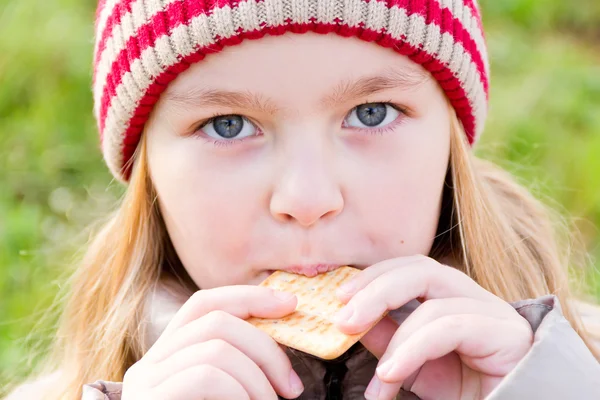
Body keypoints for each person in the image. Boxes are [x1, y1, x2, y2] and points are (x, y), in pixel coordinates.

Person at [6, 0, 600, 399]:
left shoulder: (578, 369)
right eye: (229, 125)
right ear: (148, 171)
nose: (309, 199)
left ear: (449, 144)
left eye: (372, 113)